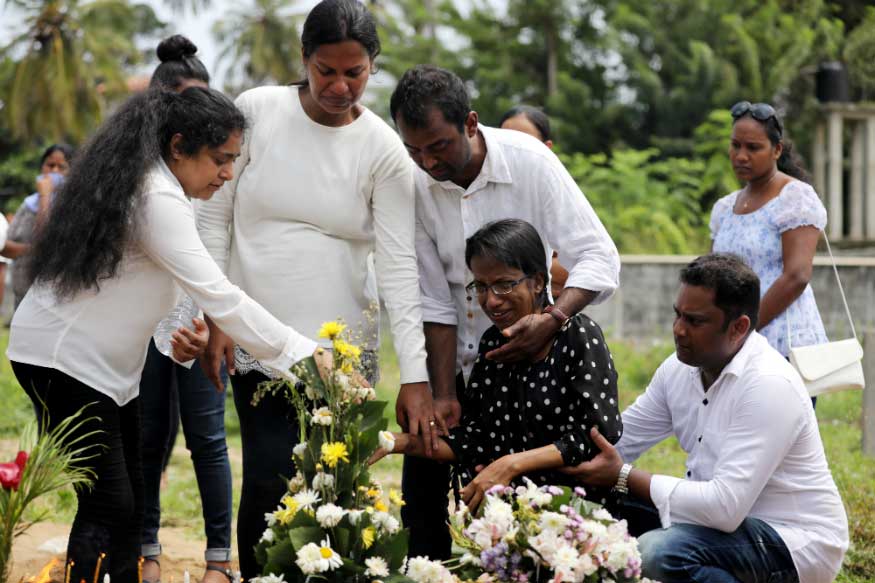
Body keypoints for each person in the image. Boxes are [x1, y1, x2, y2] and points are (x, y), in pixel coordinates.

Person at [7, 86, 325, 583]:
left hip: (106, 368)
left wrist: (189, 332)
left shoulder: (170, 188)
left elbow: (142, 283)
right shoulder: (155, 196)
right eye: (220, 159)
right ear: (179, 147)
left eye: (234, 160)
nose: (228, 172)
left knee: (132, 493)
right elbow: (219, 293)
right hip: (60, 359)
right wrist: (306, 355)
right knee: (109, 501)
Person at [195, 1, 429, 575]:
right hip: (257, 339)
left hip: (341, 355)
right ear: (305, 59)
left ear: (374, 66)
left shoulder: (384, 152)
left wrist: (417, 377)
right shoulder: (257, 111)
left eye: (355, 72)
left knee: (334, 493)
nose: (340, 86)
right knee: (271, 479)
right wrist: (215, 316)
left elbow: (399, 268)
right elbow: (211, 220)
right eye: (327, 70)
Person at [389, 64, 620, 559]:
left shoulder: (530, 162)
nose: (428, 162)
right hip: (459, 361)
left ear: (470, 124)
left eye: (439, 147)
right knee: (425, 508)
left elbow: (600, 258)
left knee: (532, 511)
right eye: (414, 150)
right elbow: (433, 297)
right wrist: (444, 391)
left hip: (538, 364)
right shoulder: (411, 181)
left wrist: (552, 321)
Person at [564, 254, 848, 583]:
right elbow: (619, 440)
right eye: (677, 315)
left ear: (739, 327)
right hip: (714, 526)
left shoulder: (769, 384)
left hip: (791, 540)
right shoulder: (679, 369)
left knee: (659, 553)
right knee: (594, 508)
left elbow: (724, 509)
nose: (678, 330)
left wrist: (622, 475)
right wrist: (532, 462)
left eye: (695, 321)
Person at [372, 219, 621, 512]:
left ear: (538, 282)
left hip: (573, 513)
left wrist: (510, 465)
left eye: (504, 285)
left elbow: (595, 436)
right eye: (481, 286)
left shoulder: (577, 335)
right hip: (506, 516)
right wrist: (393, 442)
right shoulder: (493, 342)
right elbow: (476, 438)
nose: (490, 301)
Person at [136, 35, 233, 583]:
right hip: (146, 321)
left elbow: (222, 250)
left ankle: (218, 560)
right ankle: (148, 551)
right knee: (148, 438)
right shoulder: (137, 173)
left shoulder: (217, 163)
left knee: (209, 440)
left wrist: (217, 321)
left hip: (203, 316)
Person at [710, 101, 828, 407]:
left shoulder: (795, 198)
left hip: (784, 347)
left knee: (781, 447)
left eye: (753, 147)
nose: (741, 155)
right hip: (735, 346)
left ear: (776, 150)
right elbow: (712, 277)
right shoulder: (725, 208)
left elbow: (796, 276)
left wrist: (743, 328)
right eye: (735, 145)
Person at [499, 105, 568, 297]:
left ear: (547, 148)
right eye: (505, 140)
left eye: (524, 143)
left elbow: (578, 262)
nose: (512, 149)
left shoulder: (557, 191)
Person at [6, 144, 74, 306]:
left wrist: (46, 196)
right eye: (50, 165)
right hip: (21, 294)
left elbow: (46, 239)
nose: (54, 171)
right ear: (42, 167)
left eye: (61, 167)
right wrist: (31, 250)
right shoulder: (28, 204)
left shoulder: (72, 207)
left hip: (50, 300)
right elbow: (4, 246)